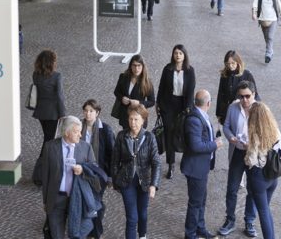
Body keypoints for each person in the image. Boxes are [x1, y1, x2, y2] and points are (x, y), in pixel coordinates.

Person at [41, 115, 96, 239]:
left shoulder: (85, 147)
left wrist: (82, 169)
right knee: (56, 235)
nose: (80, 135)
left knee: (76, 234)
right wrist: (45, 200)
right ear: (66, 133)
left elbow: (94, 169)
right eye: (76, 132)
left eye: (80, 132)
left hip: (77, 198)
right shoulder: (50, 147)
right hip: (56, 199)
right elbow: (46, 176)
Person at [111, 104, 161, 239]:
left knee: (142, 214)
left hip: (144, 180)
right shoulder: (121, 136)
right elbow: (115, 161)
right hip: (127, 181)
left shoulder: (150, 137)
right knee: (132, 217)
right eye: (130, 119)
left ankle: (142, 235)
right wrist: (116, 181)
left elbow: (156, 162)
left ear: (143, 120)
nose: (133, 123)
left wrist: (153, 185)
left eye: (136, 119)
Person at [217, 81, 259, 238]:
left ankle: (249, 221)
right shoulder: (233, 108)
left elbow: (266, 132)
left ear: (253, 94)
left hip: (253, 154)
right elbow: (226, 126)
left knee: (253, 189)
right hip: (237, 152)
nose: (245, 100)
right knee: (232, 188)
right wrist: (231, 138)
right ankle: (230, 220)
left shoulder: (259, 109)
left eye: (247, 96)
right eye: (241, 96)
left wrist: (253, 143)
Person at [181, 90, 223, 239]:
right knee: (195, 203)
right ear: (208, 103)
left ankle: (200, 229)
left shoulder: (201, 116)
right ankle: (190, 234)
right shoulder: (194, 119)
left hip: (202, 167)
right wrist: (214, 145)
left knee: (201, 200)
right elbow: (196, 146)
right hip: (195, 168)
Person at [157, 44, 196, 179]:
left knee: (182, 132)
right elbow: (161, 87)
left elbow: (191, 90)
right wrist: (158, 104)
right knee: (169, 133)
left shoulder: (190, 71)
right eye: (176, 53)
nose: (178, 55)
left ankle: (185, 158)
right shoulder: (167, 69)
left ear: (184, 55)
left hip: (183, 106)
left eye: (180, 53)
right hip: (168, 105)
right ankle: (171, 164)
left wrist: (188, 108)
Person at [245, 102, 281, 239]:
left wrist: (246, 155)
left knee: (263, 212)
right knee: (266, 210)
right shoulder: (275, 130)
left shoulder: (255, 135)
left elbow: (252, 160)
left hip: (259, 177)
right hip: (272, 176)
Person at [81, 99, 115, 238]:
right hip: (82, 171)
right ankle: (88, 229)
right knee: (86, 200)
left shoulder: (105, 129)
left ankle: (96, 232)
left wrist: (110, 176)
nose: (88, 114)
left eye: (91, 111)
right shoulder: (79, 127)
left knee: (96, 202)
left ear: (97, 113)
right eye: (86, 111)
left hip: (99, 173)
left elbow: (112, 154)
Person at [32, 49, 66, 155]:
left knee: (47, 136)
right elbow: (59, 96)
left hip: (41, 111)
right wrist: (62, 114)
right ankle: (43, 161)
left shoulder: (35, 75)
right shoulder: (57, 76)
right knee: (50, 138)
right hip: (53, 113)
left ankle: (46, 160)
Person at [112, 54, 156, 131]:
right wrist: (122, 98)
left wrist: (139, 103)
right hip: (125, 115)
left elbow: (152, 101)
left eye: (139, 66)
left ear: (143, 67)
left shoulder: (147, 82)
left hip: (139, 116)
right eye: (134, 65)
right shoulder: (123, 77)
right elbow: (116, 92)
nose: (136, 68)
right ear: (130, 66)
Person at [216, 50, 259, 125]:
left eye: (233, 63)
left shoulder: (247, 74)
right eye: (228, 64)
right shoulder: (224, 75)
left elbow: (255, 94)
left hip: (245, 111)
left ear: (238, 62)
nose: (230, 66)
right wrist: (219, 113)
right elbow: (221, 94)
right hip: (231, 111)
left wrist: (256, 110)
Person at [252, 0, 281, 64]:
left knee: (270, 37)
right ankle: (270, 50)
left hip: (273, 19)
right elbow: (255, 2)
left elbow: (278, 3)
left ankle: (268, 54)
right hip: (262, 19)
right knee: (266, 38)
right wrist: (254, 13)